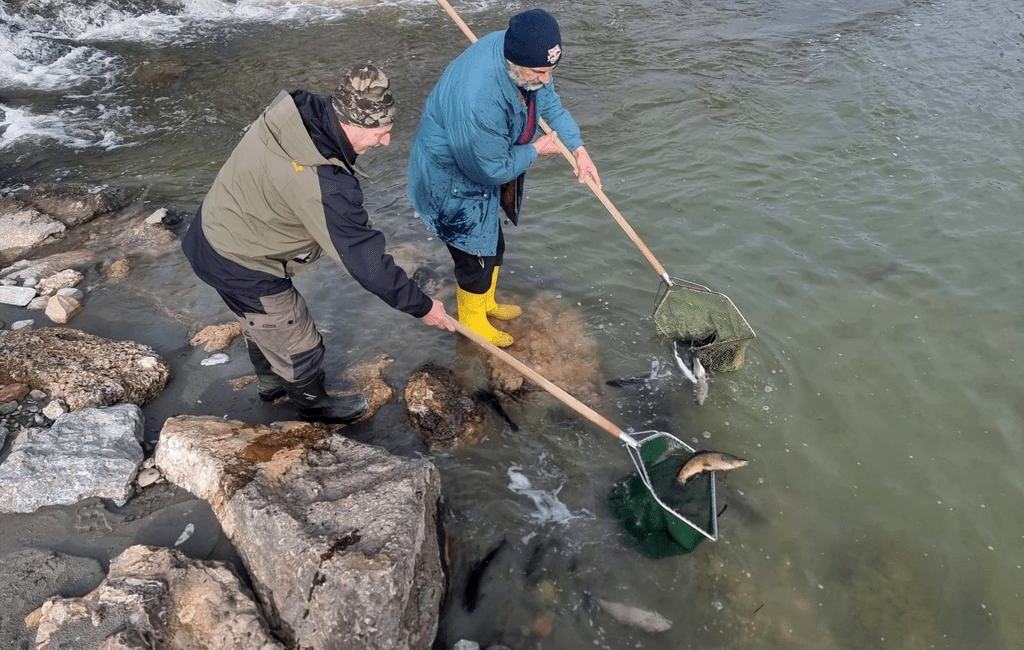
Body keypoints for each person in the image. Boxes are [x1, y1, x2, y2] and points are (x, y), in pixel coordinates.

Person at [182, 64, 455, 425]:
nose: (386, 142)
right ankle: (313, 408)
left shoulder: (298, 112)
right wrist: (422, 306)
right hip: (240, 259)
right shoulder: (326, 185)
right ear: (350, 123)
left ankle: (272, 387)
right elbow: (365, 262)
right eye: (380, 132)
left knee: (259, 320)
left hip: (212, 230)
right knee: (298, 340)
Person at [407, 8, 601, 347]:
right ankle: (472, 323)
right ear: (515, 63)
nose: (545, 79)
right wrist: (536, 150)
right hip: (451, 180)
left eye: (551, 70)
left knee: (493, 244)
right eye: (539, 72)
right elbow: (490, 170)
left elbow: (549, 103)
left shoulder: (525, 58)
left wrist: (577, 147)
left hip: (484, 162)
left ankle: (487, 304)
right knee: (474, 257)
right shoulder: (478, 99)